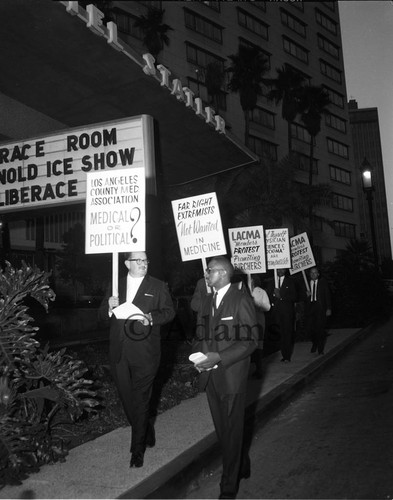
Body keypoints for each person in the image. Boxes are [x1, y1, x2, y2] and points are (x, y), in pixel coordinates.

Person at [99, 251, 175, 468]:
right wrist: (108, 307)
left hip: (145, 353)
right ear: (126, 264)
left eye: (146, 260)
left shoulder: (158, 286)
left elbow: (169, 312)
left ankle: (137, 450)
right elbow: (100, 317)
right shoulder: (116, 285)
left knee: (141, 399)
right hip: (119, 353)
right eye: (138, 260)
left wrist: (151, 318)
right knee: (127, 399)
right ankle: (145, 428)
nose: (143, 263)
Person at [192, 256, 258, 499]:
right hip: (210, 376)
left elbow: (249, 342)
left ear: (222, 273)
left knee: (230, 429)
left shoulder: (241, 299)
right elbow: (202, 334)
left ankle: (228, 486)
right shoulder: (207, 300)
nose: (206, 274)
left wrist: (219, 357)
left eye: (209, 270)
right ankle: (242, 463)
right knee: (223, 430)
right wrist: (200, 359)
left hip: (232, 375)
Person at [266, 268, 297, 363]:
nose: (280, 271)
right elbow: (268, 296)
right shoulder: (271, 282)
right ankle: (282, 352)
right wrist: (273, 296)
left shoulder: (290, 282)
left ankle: (287, 356)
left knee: (287, 333)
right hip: (276, 313)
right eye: (278, 269)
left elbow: (294, 297)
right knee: (279, 334)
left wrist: (281, 296)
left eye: (282, 269)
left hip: (287, 312)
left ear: (285, 270)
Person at [305, 266, 332, 355]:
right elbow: (300, 297)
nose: (313, 274)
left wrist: (328, 308)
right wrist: (306, 295)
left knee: (320, 329)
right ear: (309, 274)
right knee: (310, 329)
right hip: (310, 308)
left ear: (318, 274)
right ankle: (315, 343)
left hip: (320, 307)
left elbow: (327, 296)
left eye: (315, 272)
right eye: (311, 273)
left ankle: (320, 349)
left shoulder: (323, 283)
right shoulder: (306, 283)